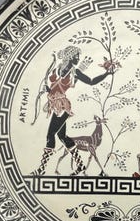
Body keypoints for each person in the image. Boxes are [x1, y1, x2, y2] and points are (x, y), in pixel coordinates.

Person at [31, 45, 116, 175]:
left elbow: (91, 81)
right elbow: (54, 88)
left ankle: (41, 169)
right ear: (70, 57)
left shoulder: (75, 72)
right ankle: (80, 165)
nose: (78, 59)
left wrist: (106, 74)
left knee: (50, 135)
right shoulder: (57, 69)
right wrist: (47, 90)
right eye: (76, 56)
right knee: (62, 137)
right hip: (54, 105)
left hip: (62, 107)